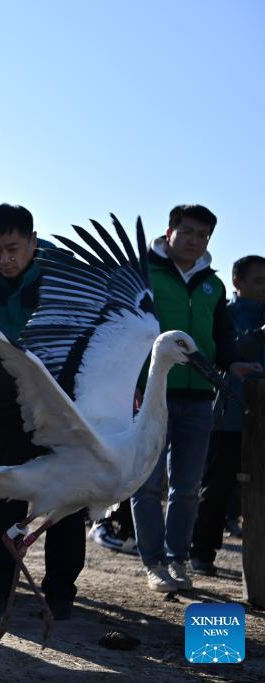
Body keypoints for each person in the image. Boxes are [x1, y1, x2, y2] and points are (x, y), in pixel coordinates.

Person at [0, 203, 86, 620]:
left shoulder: (65, 276)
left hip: (62, 405)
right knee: (3, 496)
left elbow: (93, 333)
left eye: (13, 248)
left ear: (33, 241)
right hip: (0, 407)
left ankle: (60, 593)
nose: (4, 259)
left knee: (66, 498)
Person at [130, 205, 261, 593]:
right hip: (151, 395)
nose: (194, 240)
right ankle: (154, 563)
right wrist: (130, 383)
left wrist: (233, 363)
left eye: (203, 235)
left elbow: (220, 336)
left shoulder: (213, 285)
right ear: (169, 231)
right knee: (147, 483)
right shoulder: (143, 274)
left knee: (187, 486)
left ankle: (177, 559)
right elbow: (126, 331)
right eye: (187, 231)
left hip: (201, 397)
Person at [190, 256, 265, 575]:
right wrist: (258, 335)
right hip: (228, 417)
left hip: (262, 419)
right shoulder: (226, 315)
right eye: (259, 280)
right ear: (237, 282)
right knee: (216, 488)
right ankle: (201, 553)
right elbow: (225, 352)